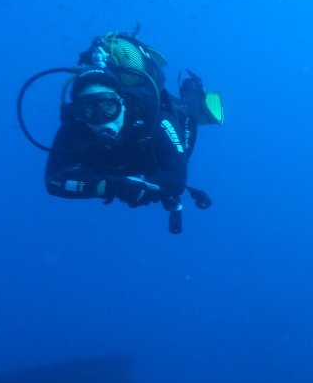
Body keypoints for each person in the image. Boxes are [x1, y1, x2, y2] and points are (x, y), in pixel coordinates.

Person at [44, 32, 223, 234]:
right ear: (77, 113)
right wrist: (108, 186)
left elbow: (176, 179)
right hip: (128, 167)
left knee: (185, 114)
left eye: (108, 106)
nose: (101, 118)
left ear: (122, 102)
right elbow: (54, 181)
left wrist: (141, 185)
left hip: (158, 143)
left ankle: (194, 95)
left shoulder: (155, 118)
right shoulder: (74, 127)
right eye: (88, 110)